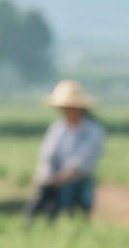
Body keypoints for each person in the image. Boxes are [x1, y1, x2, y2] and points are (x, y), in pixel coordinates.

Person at [27, 80, 104, 223]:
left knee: (76, 217)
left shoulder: (93, 130)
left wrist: (61, 177)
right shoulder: (57, 128)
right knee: (46, 216)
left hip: (79, 183)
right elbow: (47, 154)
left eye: (68, 107)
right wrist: (44, 176)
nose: (65, 111)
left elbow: (83, 159)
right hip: (52, 182)